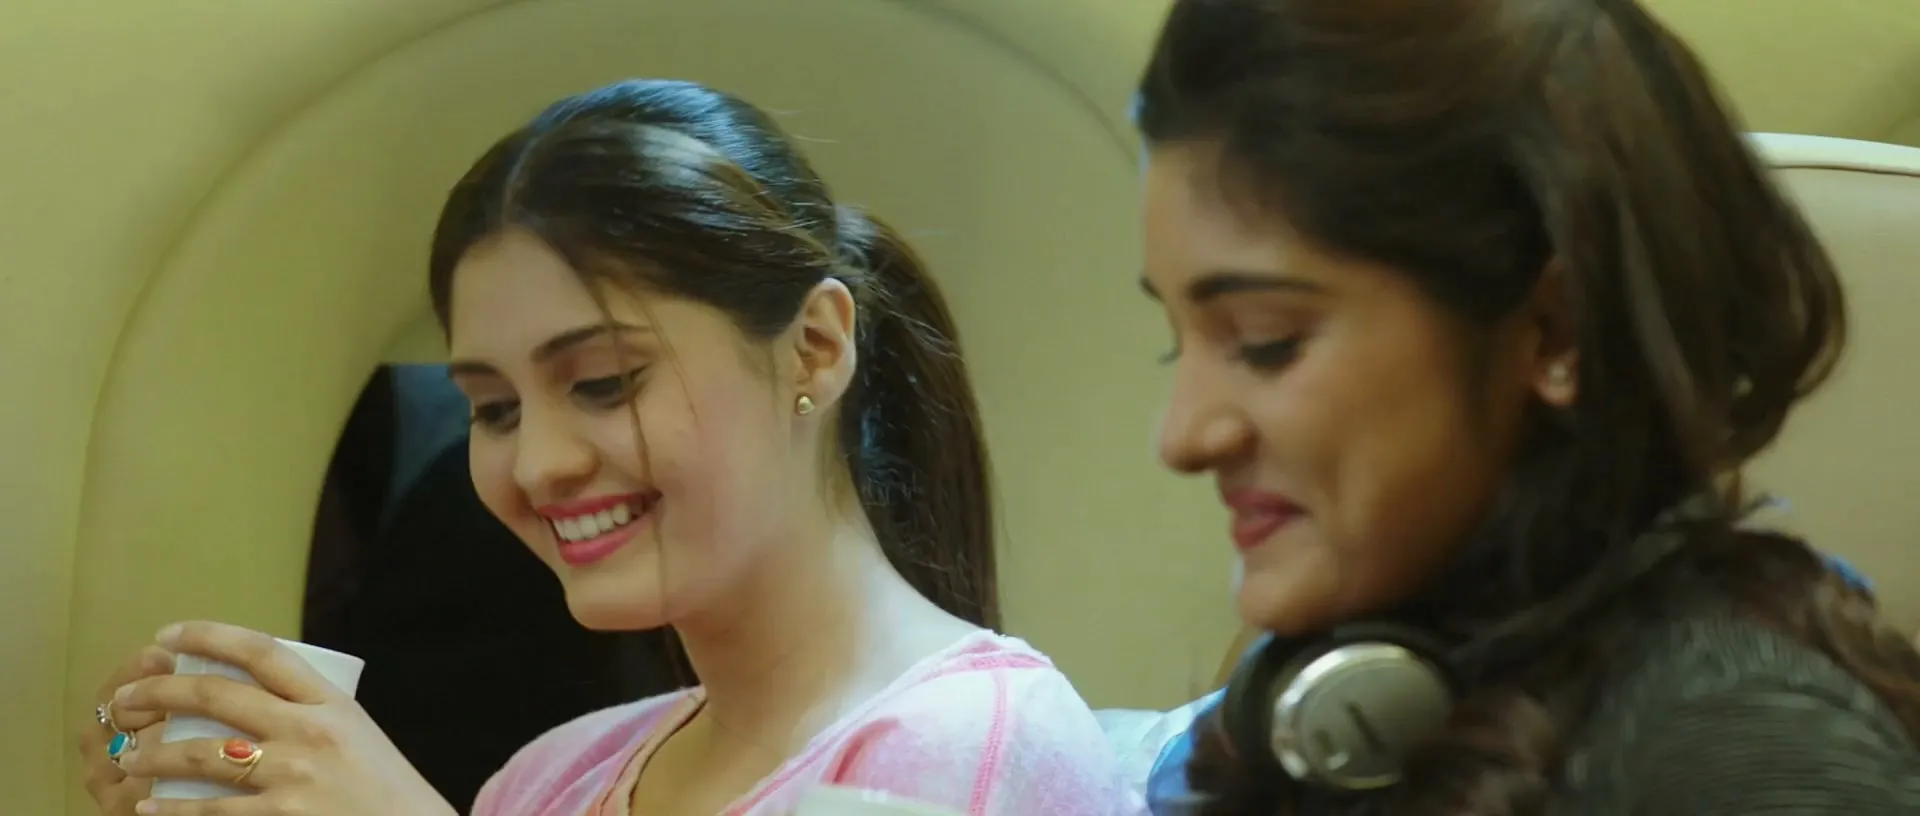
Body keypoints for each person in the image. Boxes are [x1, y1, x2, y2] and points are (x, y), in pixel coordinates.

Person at [77, 79, 1142, 816]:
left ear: (815, 347)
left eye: (603, 384)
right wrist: (174, 765)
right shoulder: (549, 779)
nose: (539, 464)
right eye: (495, 408)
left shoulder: (966, 741)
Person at [1128, 0, 1920, 813]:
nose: (1183, 435)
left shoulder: (1742, 753)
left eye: (1267, 340)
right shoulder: (1388, 696)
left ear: (1555, 333)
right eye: (1176, 343)